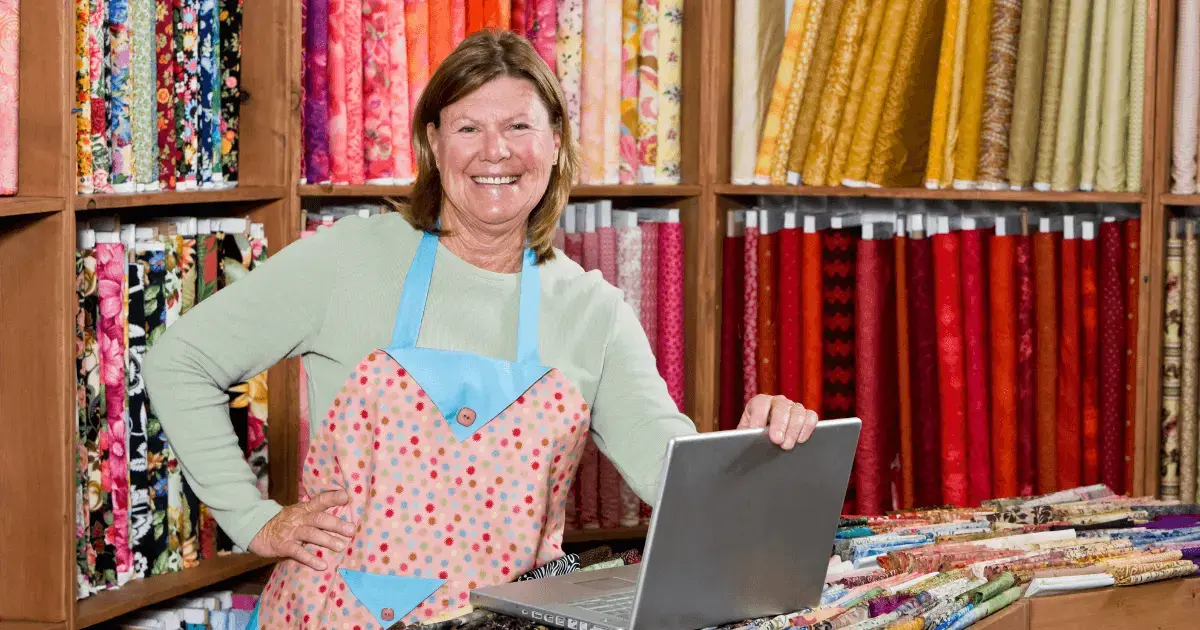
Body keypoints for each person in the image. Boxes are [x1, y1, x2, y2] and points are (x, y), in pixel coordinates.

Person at [144, 29, 817, 629]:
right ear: (433, 144)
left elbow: (677, 477)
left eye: (520, 127)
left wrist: (760, 448)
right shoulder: (348, 259)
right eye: (468, 128)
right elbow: (178, 361)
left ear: (555, 144)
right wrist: (254, 520)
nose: (495, 152)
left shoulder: (592, 310)